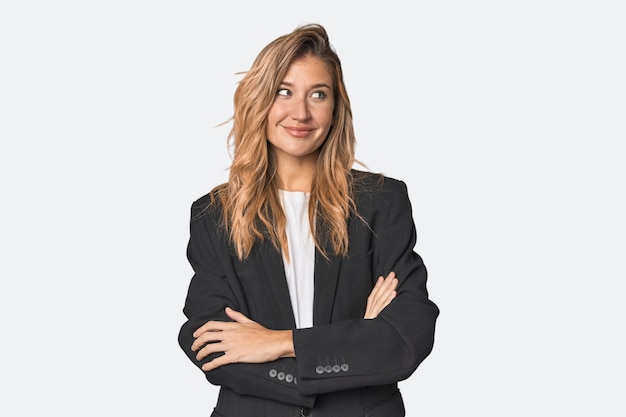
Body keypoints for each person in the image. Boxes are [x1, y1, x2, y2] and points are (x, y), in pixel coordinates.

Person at [178, 23, 439, 417]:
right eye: (284, 92)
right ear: (259, 101)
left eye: (318, 94)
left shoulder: (381, 203)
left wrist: (281, 342)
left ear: (336, 108)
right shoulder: (215, 215)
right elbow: (210, 344)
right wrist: (357, 341)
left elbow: (407, 336)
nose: (300, 112)